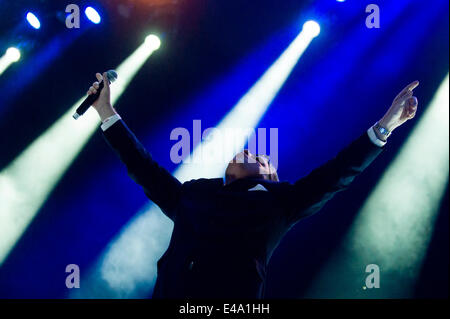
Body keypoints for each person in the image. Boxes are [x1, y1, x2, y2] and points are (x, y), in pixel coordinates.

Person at [87, 72, 419, 298]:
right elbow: (142, 166)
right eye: (248, 151)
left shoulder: (280, 204)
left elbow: (337, 174)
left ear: (270, 178)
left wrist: (386, 124)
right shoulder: (192, 193)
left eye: (261, 158)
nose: (250, 151)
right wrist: (105, 110)